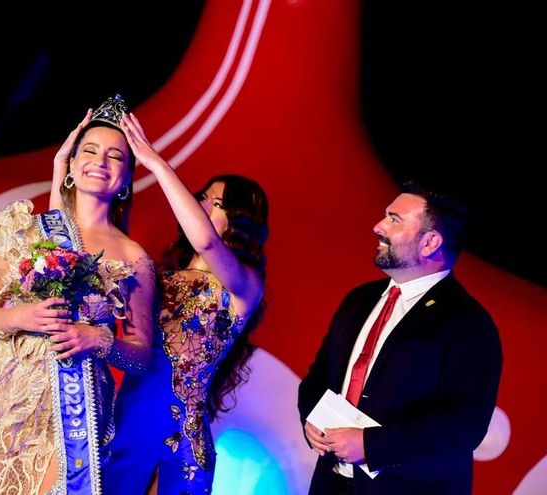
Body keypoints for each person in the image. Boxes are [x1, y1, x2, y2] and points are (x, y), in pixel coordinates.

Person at [0, 95, 155, 495]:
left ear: (128, 177)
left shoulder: (133, 257)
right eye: (90, 151)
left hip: (77, 410)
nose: (101, 161)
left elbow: (143, 355)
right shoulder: (27, 228)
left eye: (115, 156)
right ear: (72, 165)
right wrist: (20, 317)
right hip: (7, 398)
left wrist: (100, 339)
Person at [80, 114, 268, 494]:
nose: (197, 206)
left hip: (182, 442)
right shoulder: (157, 276)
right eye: (199, 198)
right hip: (126, 424)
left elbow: (208, 243)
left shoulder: (245, 285)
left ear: (239, 220)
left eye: (210, 202)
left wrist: (154, 161)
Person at [297, 182, 502, 495]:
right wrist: (311, 419)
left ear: (430, 242)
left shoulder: (468, 323)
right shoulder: (359, 299)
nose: (378, 226)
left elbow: (464, 426)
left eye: (395, 219)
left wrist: (371, 445)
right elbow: (318, 377)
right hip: (332, 484)